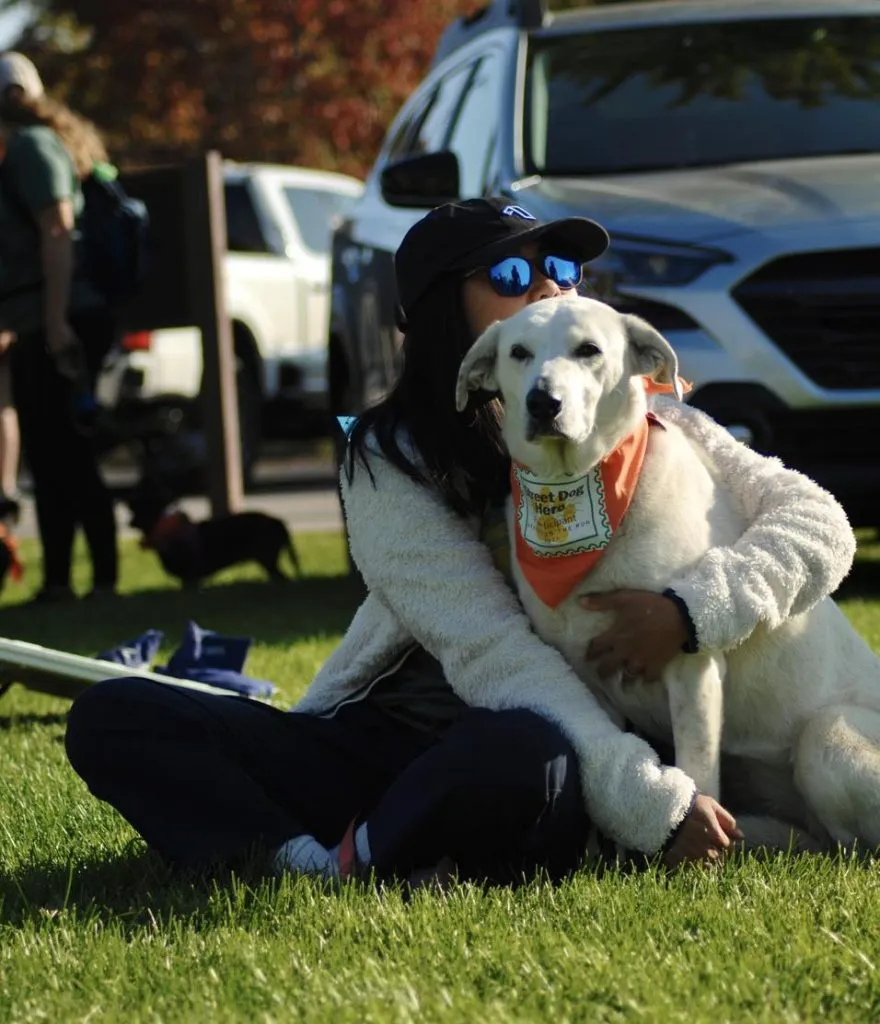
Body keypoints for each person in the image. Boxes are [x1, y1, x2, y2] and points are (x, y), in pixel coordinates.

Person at [65, 199, 856, 882]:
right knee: (113, 715)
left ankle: (383, 857)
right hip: (394, 743)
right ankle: (308, 858)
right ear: (450, 320)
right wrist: (651, 801)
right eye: (513, 276)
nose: (550, 286)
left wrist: (690, 612)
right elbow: (495, 656)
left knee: (523, 753)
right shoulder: (386, 462)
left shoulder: (652, 418)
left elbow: (819, 526)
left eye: (562, 270)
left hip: (540, 760)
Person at [0, 51, 118, 602]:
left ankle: (91, 581)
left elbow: (57, 231)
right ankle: (65, 582)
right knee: (55, 457)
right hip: (49, 321)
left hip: (59, 324)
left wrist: (52, 324)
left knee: (62, 457)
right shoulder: (37, 144)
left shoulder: (29, 146)